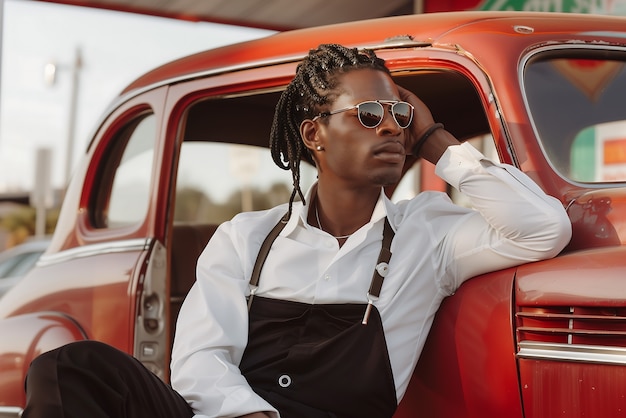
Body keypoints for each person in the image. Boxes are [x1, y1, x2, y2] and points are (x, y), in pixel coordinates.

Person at [22, 43, 571, 418]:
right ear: (314, 134)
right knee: (69, 368)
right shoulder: (247, 237)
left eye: (398, 116)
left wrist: (432, 138)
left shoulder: (427, 233)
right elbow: (199, 361)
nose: (389, 125)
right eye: (369, 113)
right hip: (235, 416)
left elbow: (543, 229)